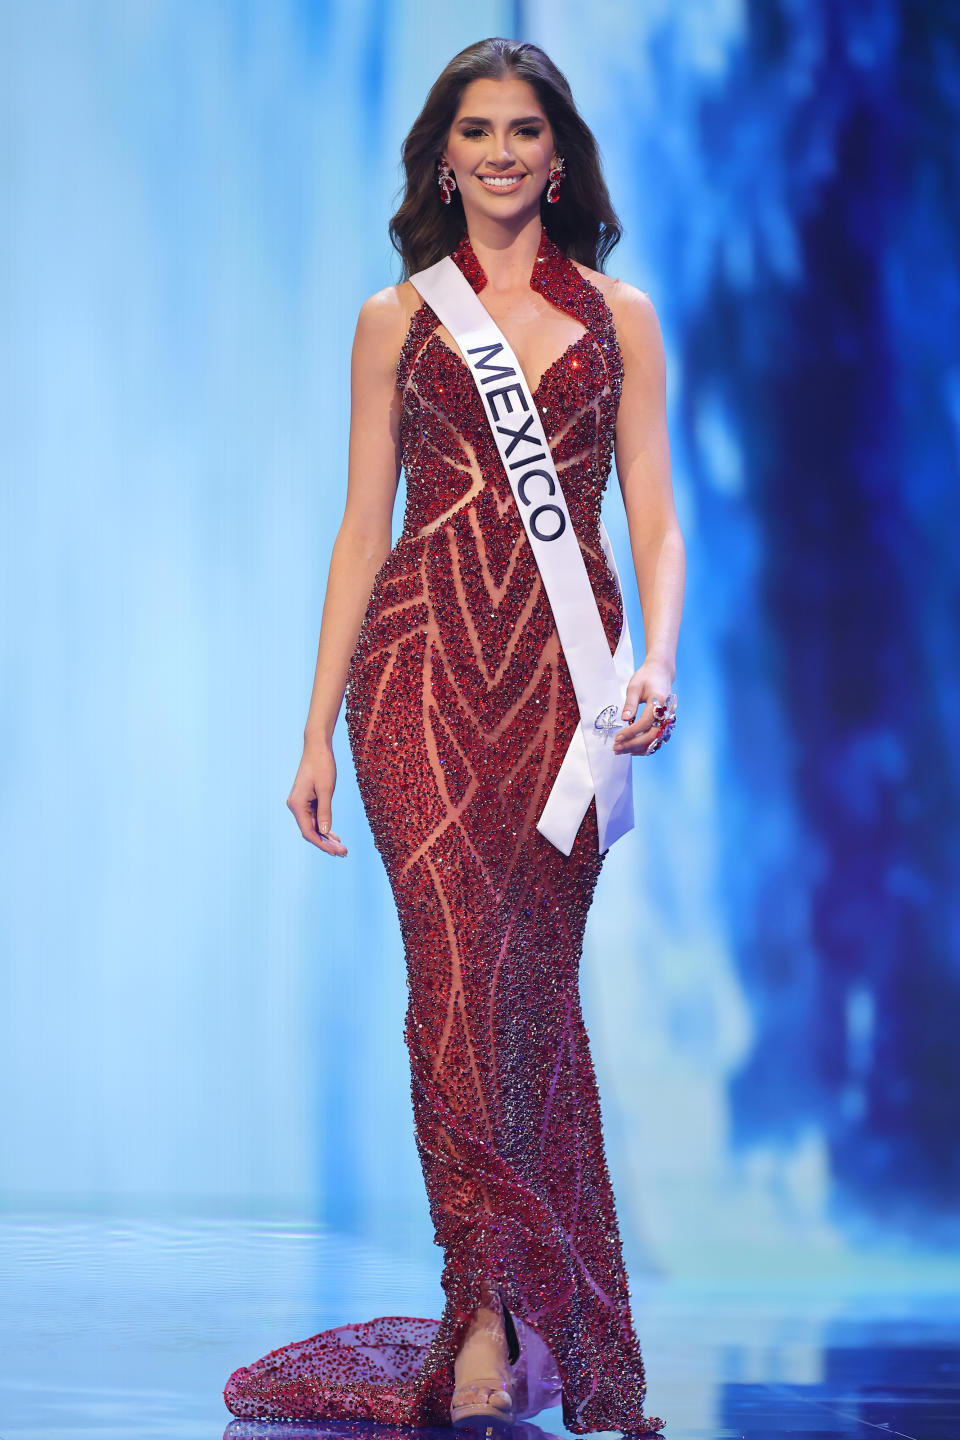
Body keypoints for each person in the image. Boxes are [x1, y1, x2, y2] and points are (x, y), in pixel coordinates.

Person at [224, 35, 682, 1438]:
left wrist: (659, 659)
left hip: (569, 683)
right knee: (448, 988)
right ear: (445, 153)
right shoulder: (393, 319)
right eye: (474, 129)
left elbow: (655, 516)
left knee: (525, 993)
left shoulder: (625, 317)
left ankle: (535, 1304)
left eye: (523, 129)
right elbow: (364, 529)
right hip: (418, 672)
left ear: (559, 155)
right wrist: (314, 728)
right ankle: (479, 1308)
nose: (498, 151)